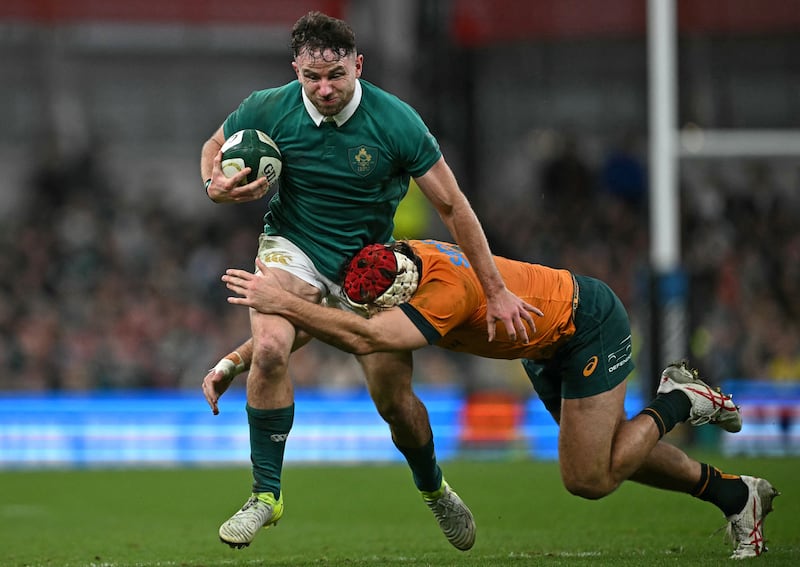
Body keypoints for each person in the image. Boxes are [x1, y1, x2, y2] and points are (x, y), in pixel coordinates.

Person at [199, 11, 538, 552]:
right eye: (311, 77)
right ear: (297, 70)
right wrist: (213, 186)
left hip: (370, 269)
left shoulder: (397, 122)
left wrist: (495, 288)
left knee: (395, 404)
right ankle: (266, 495)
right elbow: (213, 146)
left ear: (358, 65)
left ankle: (432, 486)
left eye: (336, 75)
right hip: (293, 247)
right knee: (269, 348)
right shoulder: (267, 106)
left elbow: (452, 205)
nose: (324, 88)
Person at [219, 239, 780, 560]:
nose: (372, 312)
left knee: (589, 477)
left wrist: (280, 301)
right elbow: (346, 319)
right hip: (540, 345)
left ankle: (679, 401)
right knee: (611, 456)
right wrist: (238, 359)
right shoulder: (393, 266)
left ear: (403, 294)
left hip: (586, 326)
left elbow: (367, 336)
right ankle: (736, 497)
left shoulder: (446, 293)